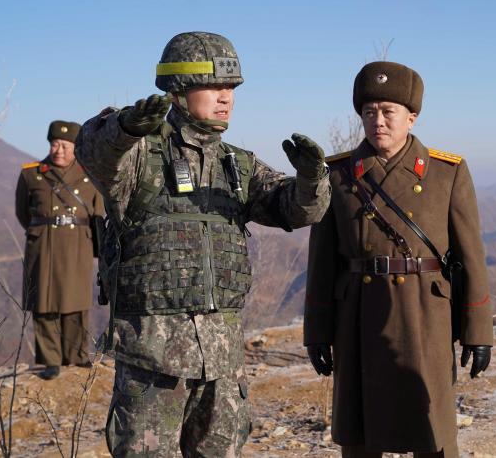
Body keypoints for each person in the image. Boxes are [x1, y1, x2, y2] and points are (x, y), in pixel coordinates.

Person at [75, 31, 330, 457]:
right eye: (213, 86)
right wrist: (123, 128)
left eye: (230, 88)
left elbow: (297, 211)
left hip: (223, 363)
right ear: (178, 90)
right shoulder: (139, 155)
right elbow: (94, 151)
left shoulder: (236, 164)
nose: (225, 97)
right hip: (153, 364)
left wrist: (310, 180)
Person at [304, 61, 493, 458]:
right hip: (358, 315)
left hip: (426, 315)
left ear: (412, 116)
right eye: (369, 112)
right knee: (360, 433)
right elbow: (322, 262)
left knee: (432, 427)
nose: (378, 122)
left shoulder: (447, 172)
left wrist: (478, 330)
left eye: (388, 111)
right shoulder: (338, 175)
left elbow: (470, 256)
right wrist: (317, 330)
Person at [15, 120, 104, 380]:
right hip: (43, 244)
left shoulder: (90, 175)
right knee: (43, 302)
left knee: (75, 301)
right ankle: (50, 360)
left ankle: (76, 355)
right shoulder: (32, 174)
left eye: (65, 146)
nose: (59, 150)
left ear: (75, 148)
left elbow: (98, 214)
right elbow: (23, 213)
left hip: (78, 244)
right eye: (55, 144)